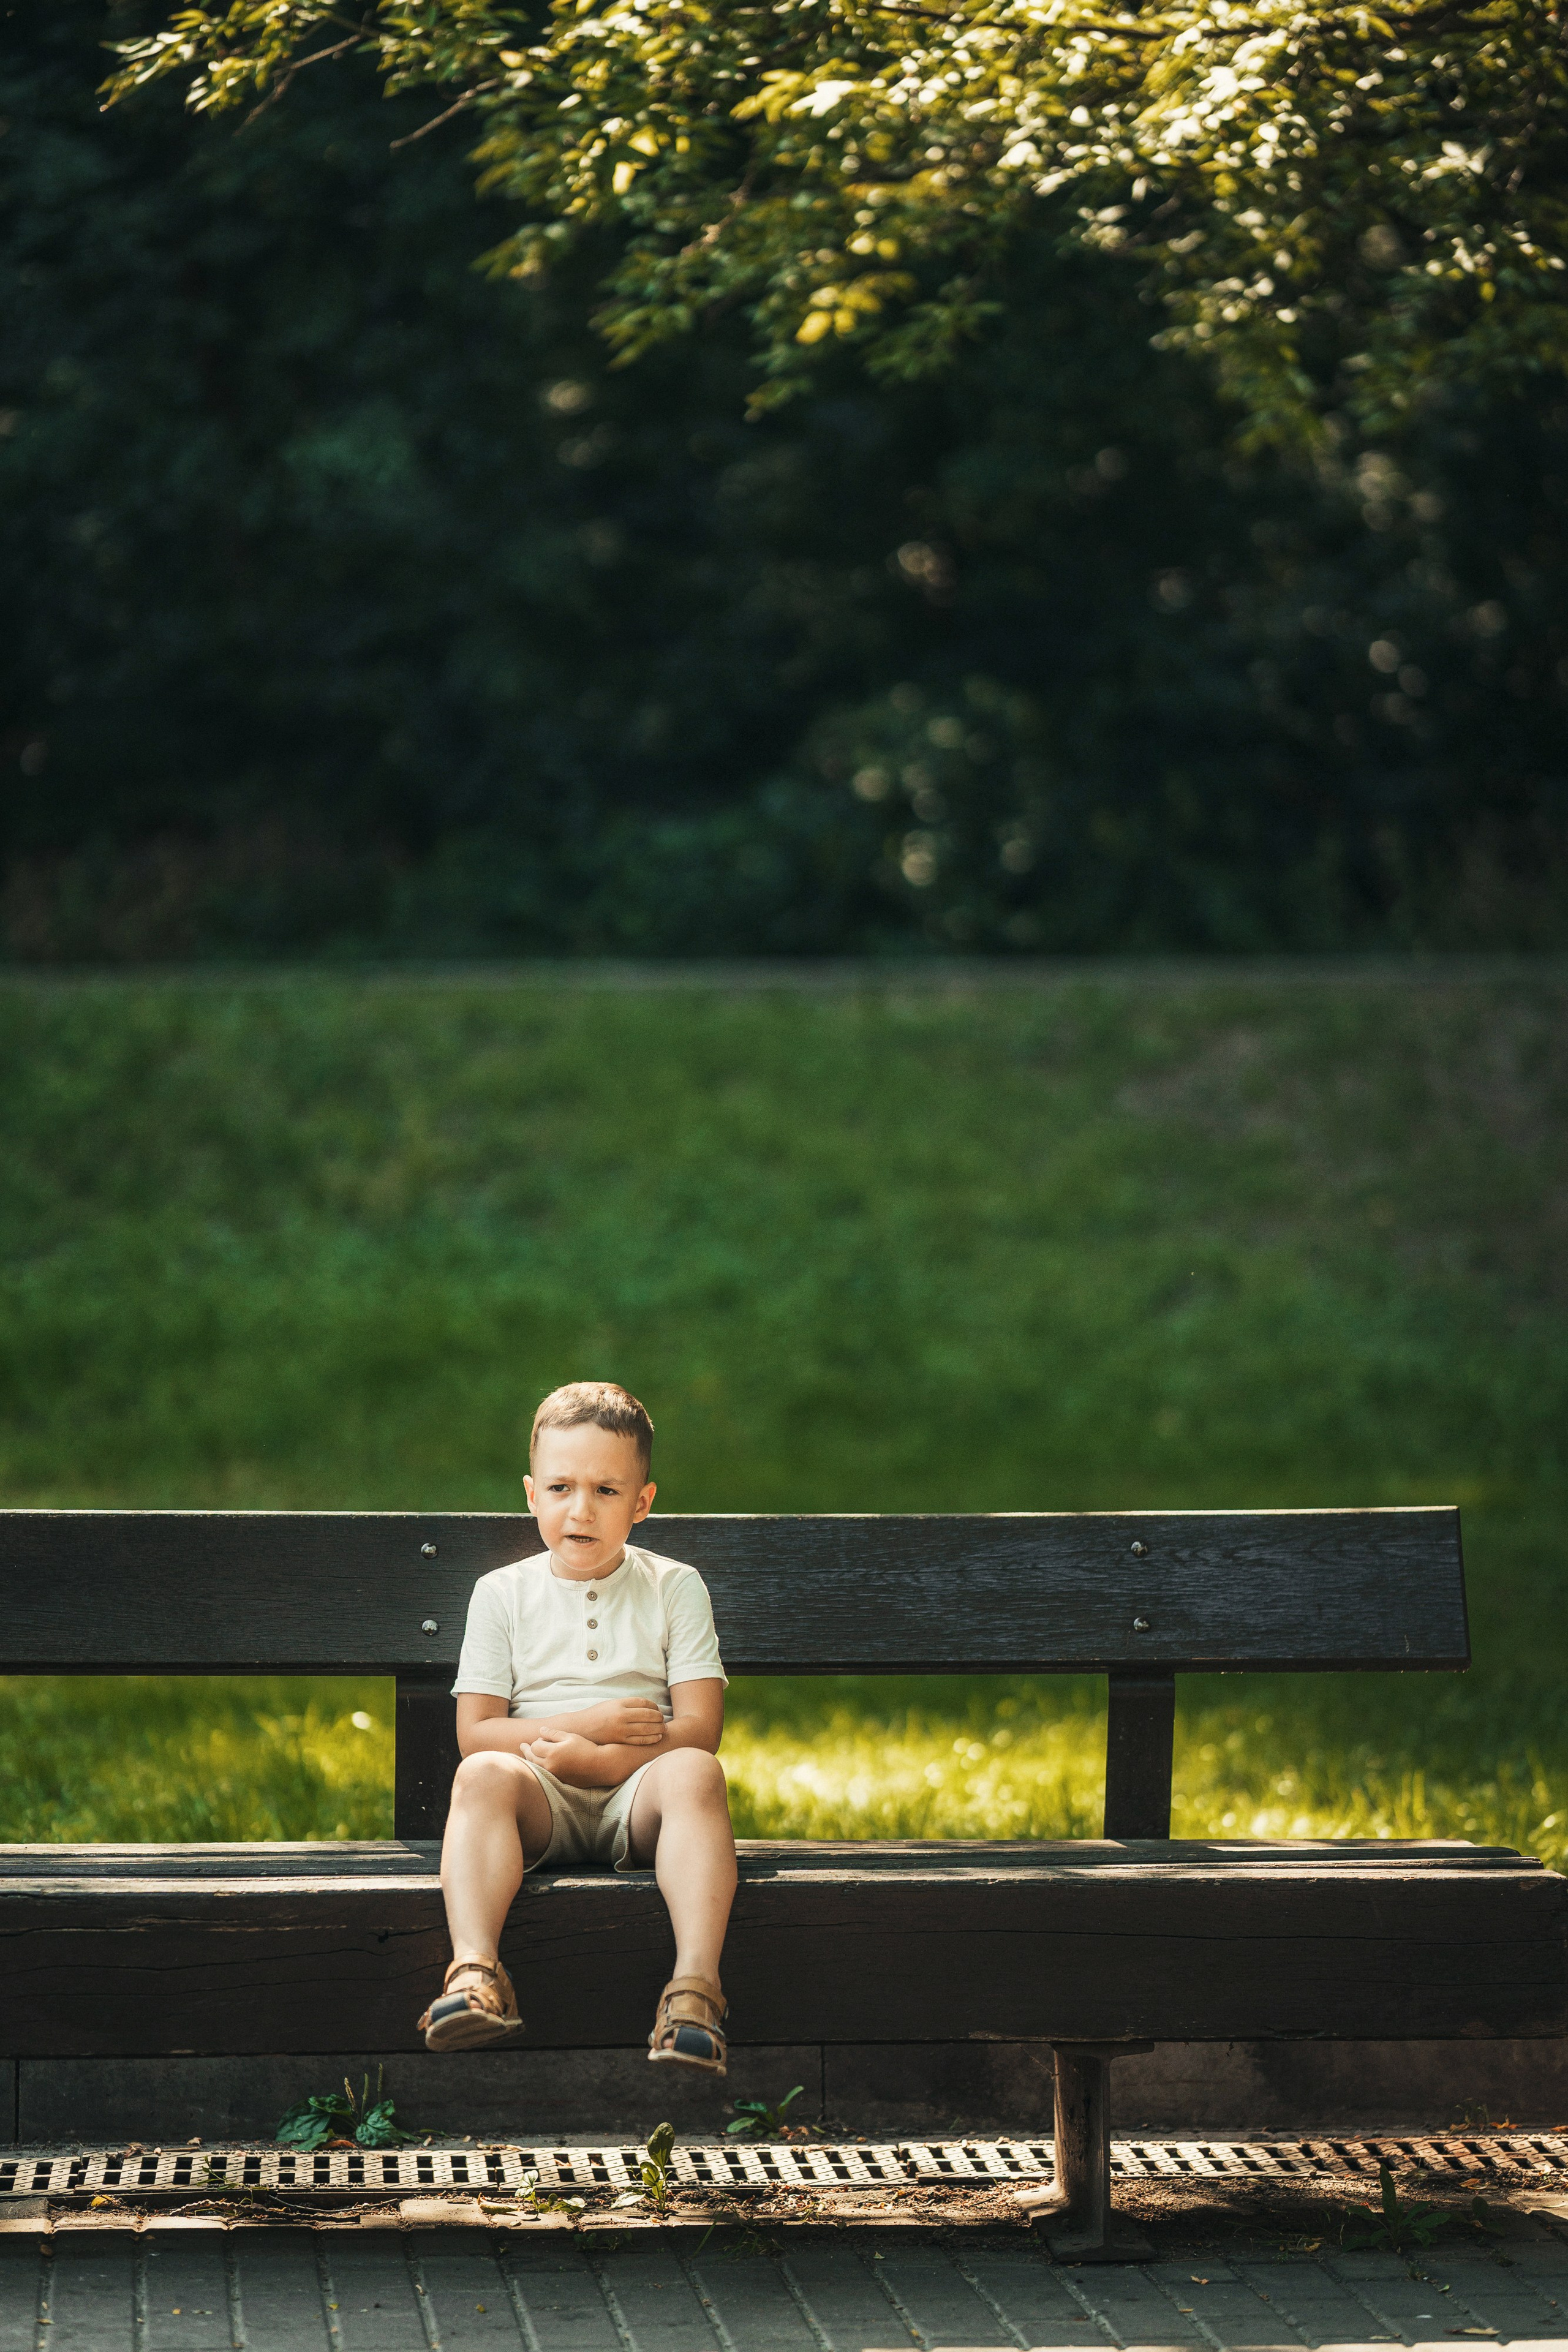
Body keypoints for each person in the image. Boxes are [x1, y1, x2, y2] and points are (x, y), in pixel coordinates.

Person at [417, 1380, 735, 2073]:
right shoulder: (501, 1594)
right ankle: (475, 1974)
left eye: (607, 1491)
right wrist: (583, 1725)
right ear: (531, 1494)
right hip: (538, 1791)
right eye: (560, 1488)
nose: (580, 1510)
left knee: (697, 1773)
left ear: (643, 1502)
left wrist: (604, 1763)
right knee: (479, 1776)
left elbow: (701, 1727)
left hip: (641, 1793)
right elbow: (478, 1732)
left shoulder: (673, 1586)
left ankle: (694, 1994)